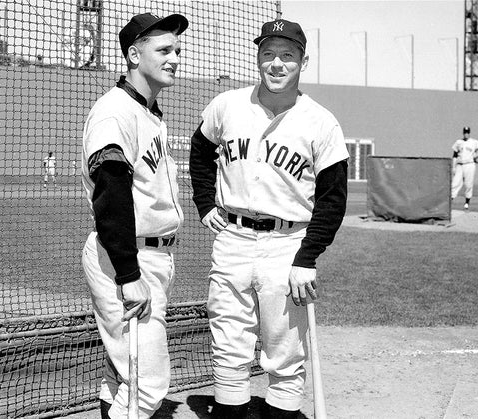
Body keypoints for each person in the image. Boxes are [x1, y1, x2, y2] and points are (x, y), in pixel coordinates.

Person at [189, 18, 349, 419]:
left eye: (287, 56)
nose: (277, 64)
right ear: (258, 57)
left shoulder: (321, 120)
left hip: (287, 245)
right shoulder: (227, 105)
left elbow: (334, 197)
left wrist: (307, 257)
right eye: (268, 54)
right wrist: (205, 203)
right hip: (233, 239)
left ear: (303, 61)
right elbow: (199, 150)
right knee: (228, 347)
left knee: (285, 351)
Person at [81, 12, 187, 419]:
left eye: (177, 49)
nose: (174, 57)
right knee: (149, 381)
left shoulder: (148, 112)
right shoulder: (116, 113)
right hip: (126, 258)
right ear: (132, 54)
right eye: (164, 50)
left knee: (122, 376)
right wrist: (129, 274)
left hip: (147, 256)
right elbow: (111, 196)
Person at [451, 126, 478, 210]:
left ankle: (467, 203)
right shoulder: (458, 142)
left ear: (469, 133)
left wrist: (475, 156)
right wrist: (453, 167)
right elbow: (455, 155)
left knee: (468, 184)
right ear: (463, 133)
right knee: (455, 184)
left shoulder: (474, 142)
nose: (466, 134)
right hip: (460, 164)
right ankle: (450, 201)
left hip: (469, 165)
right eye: (465, 132)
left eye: (467, 132)